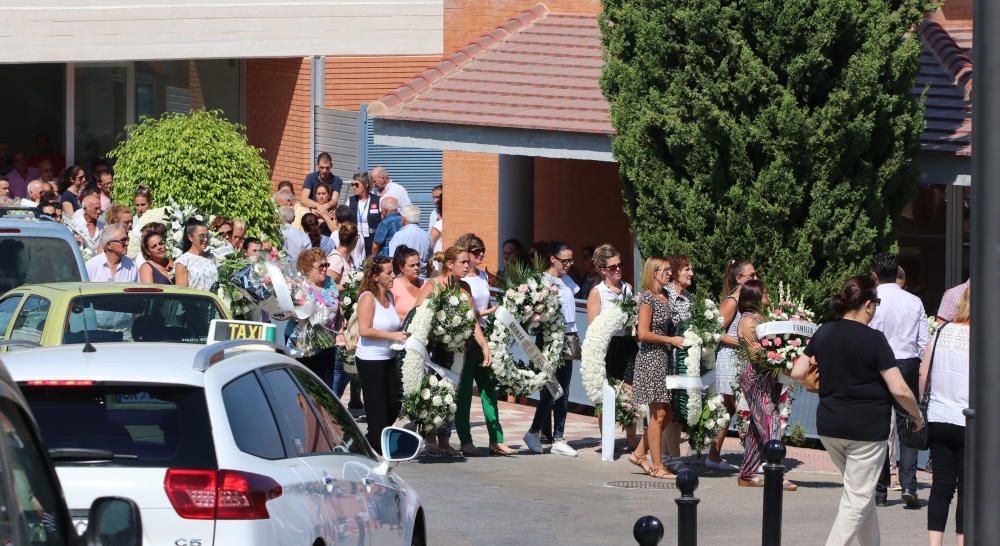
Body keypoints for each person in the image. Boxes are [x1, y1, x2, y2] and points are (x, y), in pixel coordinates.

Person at [791, 275, 924, 546]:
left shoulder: (824, 331)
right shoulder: (875, 340)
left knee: (860, 494)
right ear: (867, 305)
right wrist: (917, 415)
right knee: (858, 498)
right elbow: (899, 389)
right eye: (875, 302)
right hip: (866, 430)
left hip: (830, 426)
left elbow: (798, 371)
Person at [413, 246, 492, 457]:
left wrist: (484, 345)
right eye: (463, 262)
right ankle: (430, 439)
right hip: (433, 350)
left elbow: (472, 319)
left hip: (457, 350)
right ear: (450, 264)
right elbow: (418, 315)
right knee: (432, 392)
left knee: (451, 394)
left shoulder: (464, 288)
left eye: (468, 262)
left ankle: (445, 442)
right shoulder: (434, 285)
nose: (468, 266)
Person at [869, 253, 929, 508]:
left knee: (880, 426)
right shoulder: (914, 301)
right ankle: (909, 485)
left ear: (874, 275)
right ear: (898, 274)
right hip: (907, 363)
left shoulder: (873, 302)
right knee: (909, 423)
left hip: (879, 363)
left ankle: (880, 491)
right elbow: (924, 342)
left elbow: (867, 334)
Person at [454, 234, 515, 456]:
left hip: (486, 337)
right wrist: (484, 313)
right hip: (468, 339)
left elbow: (486, 304)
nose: (481, 255)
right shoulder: (459, 281)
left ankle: (496, 439)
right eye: (476, 251)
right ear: (466, 253)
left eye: (483, 251)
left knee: (489, 389)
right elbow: (464, 313)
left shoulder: (481, 277)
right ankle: (465, 439)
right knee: (465, 394)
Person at [732, 280, 796, 490]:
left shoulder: (766, 318)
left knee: (757, 428)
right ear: (755, 296)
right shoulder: (748, 321)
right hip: (755, 377)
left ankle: (748, 474)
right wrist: (779, 360)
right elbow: (755, 354)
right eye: (764, 292)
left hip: (769, 376)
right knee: (770, 418)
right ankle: (775, 471)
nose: (768, 295)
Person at [523, 241, 581, 458]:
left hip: (568, 336)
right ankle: (535, 431)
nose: (568, 264)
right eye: (564, 260)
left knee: (563, 390)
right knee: (551, 389)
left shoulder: (567, 281)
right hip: (551, 339)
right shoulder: (542, 281)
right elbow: (533, 311)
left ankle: (558, 437)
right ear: (552, 259)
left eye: (570, 260)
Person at [920, 287, 969, 546]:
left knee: (941, 486)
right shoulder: (983, 337)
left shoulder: (940, 332)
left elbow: (923, 374)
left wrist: (920, 407)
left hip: (939, 416)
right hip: (968, 420)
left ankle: (934, 543)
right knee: (966, 490)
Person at [627, 257, 682, 477]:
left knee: (666, 413)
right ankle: (657, 466)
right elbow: (643, 333)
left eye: (670, 270)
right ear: (654, 272)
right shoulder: (648, 299)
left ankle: (639, 453)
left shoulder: (666, 297)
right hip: (651, 359)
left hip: (663, 359)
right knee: (658, 413)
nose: (670, 273)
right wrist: (670, 340)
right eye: (665, 270)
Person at [586, 244, 639, 449]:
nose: (618, 269)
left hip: (626, 344)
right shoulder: (597, 293)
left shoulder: (628, 289)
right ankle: (606, 438)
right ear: (602, 270)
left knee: (632, 390)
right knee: (606, 393)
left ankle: (632, 437)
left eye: (620, 265)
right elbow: (593, 326)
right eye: (613, 266)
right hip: (607, 346)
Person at [706, 259, 757, 470]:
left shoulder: (746, 299)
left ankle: (716, 454)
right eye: (751, 275)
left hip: (740, 358)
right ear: (738, 278)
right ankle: (713, 455)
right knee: (729, 406)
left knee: (733, 407)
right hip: (728, 358)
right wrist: (743, 342)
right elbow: (715, 331)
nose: (755, 278)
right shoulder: (732, 301)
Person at [355, 256, 407, 454]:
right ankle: (377, 447)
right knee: (377, 410)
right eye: (388, 272)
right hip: (371, 361)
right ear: (376, 277)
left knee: (394, 403)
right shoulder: (368, 297)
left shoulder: (390, 297)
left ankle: (365, 442)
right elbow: (365, 330)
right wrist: (392, 335)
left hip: (389, 358)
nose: (393, 275)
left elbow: (394, 322)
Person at [294, 248, 341, 387]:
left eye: (326, 265)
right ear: (307, 269)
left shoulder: (330, 283)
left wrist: (341, 332)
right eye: (321, 266)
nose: (325, 269)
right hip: (305, 347)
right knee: (307, 389)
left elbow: (339, 310)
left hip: (328, 344)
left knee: (326, 389)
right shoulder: (299, 287)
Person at [664, 254, 694, 467]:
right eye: (686, 269)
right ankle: (673, 457)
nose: (691, 273)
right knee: (670, 409)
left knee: (676, 409)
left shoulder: (689, 298)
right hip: (667, 359)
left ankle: (667, 456)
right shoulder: (665, 296)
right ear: (674, 273)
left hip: (682, 360)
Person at [174, 218, 219, 292]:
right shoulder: (183, 262)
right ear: (190, 237)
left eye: (207, 236)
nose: (205, 239)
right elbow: (181, 295)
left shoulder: (211, 257)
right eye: (201, 236)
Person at [388, 204, 433, 274]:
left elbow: (392, 259)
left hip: (404, 278)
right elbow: (430, 260)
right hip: (423, 277)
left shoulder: (399, 235)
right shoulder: (427, 236)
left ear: (404, 219)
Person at [348, 172, 381, 255]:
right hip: (356, 240)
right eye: (352, 185)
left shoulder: (377, 200)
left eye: (356, 185)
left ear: (366, 185)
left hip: (372, 240)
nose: (354, 187)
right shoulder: (350, 201)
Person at [389, 246, 422, 322]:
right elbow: (387, 313)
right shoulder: (393, 285)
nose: (416, 268)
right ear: (401, 267)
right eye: (412, 265)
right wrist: (410, 320)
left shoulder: (427, 285)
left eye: (418, 264)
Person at [327, 222, 359, 288]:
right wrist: (351, 286)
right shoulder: (335, 260)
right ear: (355, 238)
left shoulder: (349, 258)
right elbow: (328, 287)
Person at [74, 192, 104, 257]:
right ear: (85, 209)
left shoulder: (103, 227)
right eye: (96, 208)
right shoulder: (74, 225)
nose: (99, 212)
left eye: (99, 208)